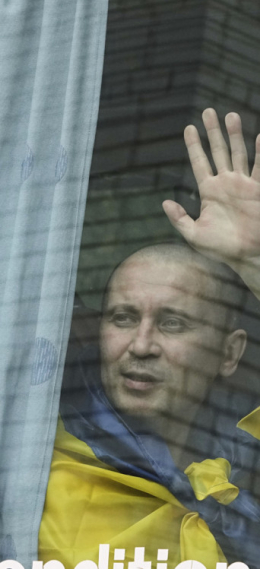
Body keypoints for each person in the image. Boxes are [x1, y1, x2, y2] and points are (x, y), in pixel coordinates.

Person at [40, 109, 260, 568]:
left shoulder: (240, 467)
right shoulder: (40, 460)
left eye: (172, 323)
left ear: (229, 352)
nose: (141, 345)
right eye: (123, 318)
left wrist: (254, 264)